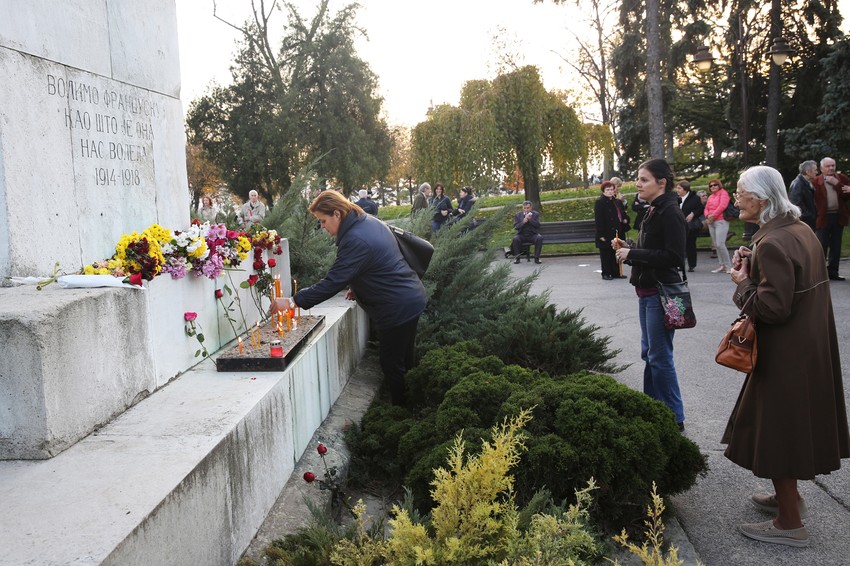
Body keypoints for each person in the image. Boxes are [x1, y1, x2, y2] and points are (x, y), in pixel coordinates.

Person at [724, 165, 850, 547]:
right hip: (806, 347)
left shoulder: (774, 242)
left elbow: (773, 308)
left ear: (762, 199)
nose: (736, 197)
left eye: (741, 191)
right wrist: (755, 263)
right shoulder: (798, 230)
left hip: (784, 353)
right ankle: (787, 498)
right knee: (789, 426)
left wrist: (743, 282)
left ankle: (789, 523)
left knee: (779, 430)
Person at [272, 190, 427, 405]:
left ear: (337, 213)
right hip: (409, 297)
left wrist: (292, 301)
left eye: (323, 220)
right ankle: (416, 402)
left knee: (392, 364)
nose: (322, 226)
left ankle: (403, 412)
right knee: (405, 360)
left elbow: (332, 282)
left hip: (396, 306)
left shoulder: (355, 238)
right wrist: (357, 284)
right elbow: (379, 262)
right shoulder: (366, 221)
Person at [613, 158, 686, 430]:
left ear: (661, 183)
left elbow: (674, 256)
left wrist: (633, 253)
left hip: (660, 293)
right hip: (645, 292)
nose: (638, 184)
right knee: (650, 353)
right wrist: (628, 246)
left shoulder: (669, 212)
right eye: (638, 179)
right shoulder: (653, 209)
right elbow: (650, 250)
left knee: (659, 355)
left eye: (644, 179)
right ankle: (652, 408)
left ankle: (673, 416)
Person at [812, 157, 850, 280]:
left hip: (838, 217)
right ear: (821, 168)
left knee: (836, 246)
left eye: (833, 165)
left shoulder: (841, 178)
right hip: (823, 217)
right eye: (828, 166)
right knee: (821, 245)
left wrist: (836, 183)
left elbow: (846, 195)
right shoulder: (816, 181)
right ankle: (820, 274)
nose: (831, 168)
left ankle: (833, 273)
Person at [595, 181, 628, 280]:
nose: (610, 192)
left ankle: (616, 272)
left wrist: (625, 219)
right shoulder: (600, 202)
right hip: (606, 231)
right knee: (606, 253)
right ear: (603, 191)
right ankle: (606, 273)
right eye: (607, 190)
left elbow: (622, 213)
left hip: (617, 230)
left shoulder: (616, 201)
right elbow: (599, 219)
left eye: (612, 189)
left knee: (616, 252)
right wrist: (601, 234)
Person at [704, 179, 732, 273]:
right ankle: (722, 265)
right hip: (711, 222)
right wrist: (708, 216)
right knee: (716, 245)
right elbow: (706, 208)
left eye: (715, 185)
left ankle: (728, 266)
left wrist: (713, 216)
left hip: (721, 221)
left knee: (720, 244)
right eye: (711, 186)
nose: (713, 187)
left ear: (719, 185)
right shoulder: (711, 196)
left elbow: (722, 206)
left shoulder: (723, 193)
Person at [676, 180, 703, 272]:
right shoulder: (676, 198)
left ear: (685, 189)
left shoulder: (694, 198)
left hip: (690, 226)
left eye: (679, 188)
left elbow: (700, 209)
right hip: (678, 225)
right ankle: (680, 264)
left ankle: (692, 265)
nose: (677, 190)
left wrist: (693, 213)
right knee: (679, 245)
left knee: (690, 245)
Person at [788, 160, 818, 231]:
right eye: (815, 170)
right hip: (804, 223)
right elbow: (796, 204)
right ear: (808, 172)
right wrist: (810, 216)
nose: (817, 172)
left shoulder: (806, 183)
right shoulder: (798, 184)